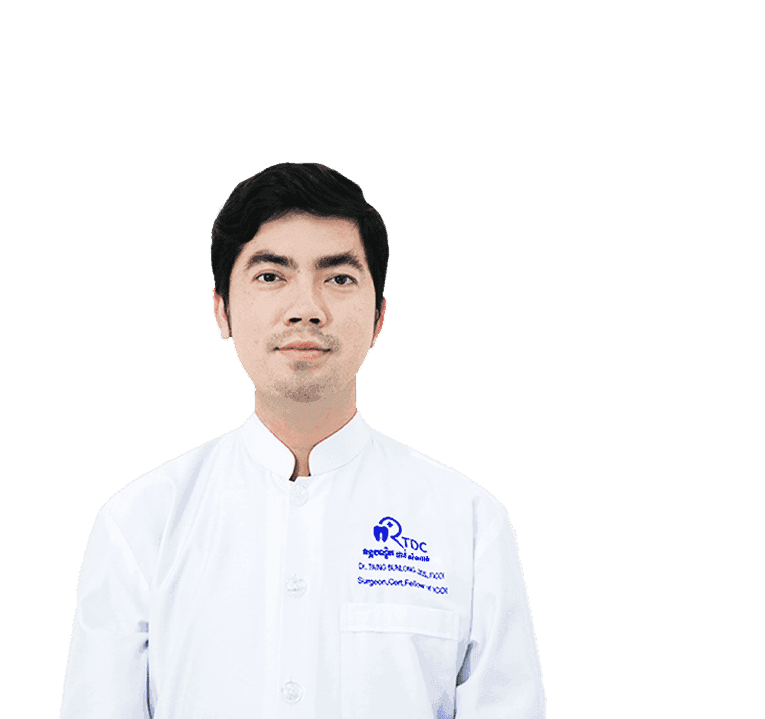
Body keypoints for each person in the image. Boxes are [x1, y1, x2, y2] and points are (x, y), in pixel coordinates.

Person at [59, 162, 547, 718]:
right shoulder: (140, 523)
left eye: (338, 278)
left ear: (379, 317)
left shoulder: (469, 523)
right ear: (221, 310)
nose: (306, 309)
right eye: (271, 276)